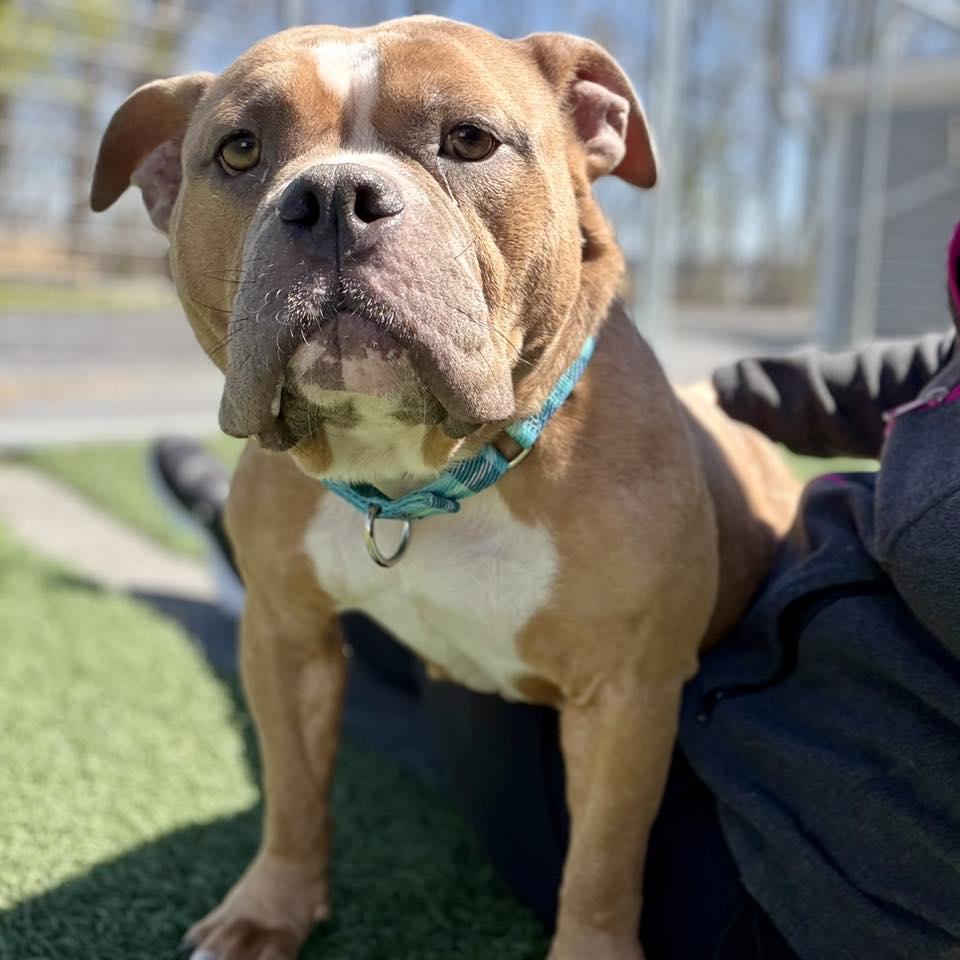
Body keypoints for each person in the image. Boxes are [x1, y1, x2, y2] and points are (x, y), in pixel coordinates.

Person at [153, 227, 960, 960]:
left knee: (443, 653)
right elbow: (936, 367)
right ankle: (259, 555)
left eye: (466, 141)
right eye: (242, 152)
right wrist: (735, 396)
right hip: (814, 627)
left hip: (822, 811)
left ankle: (251, 551)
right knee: (388, 604)